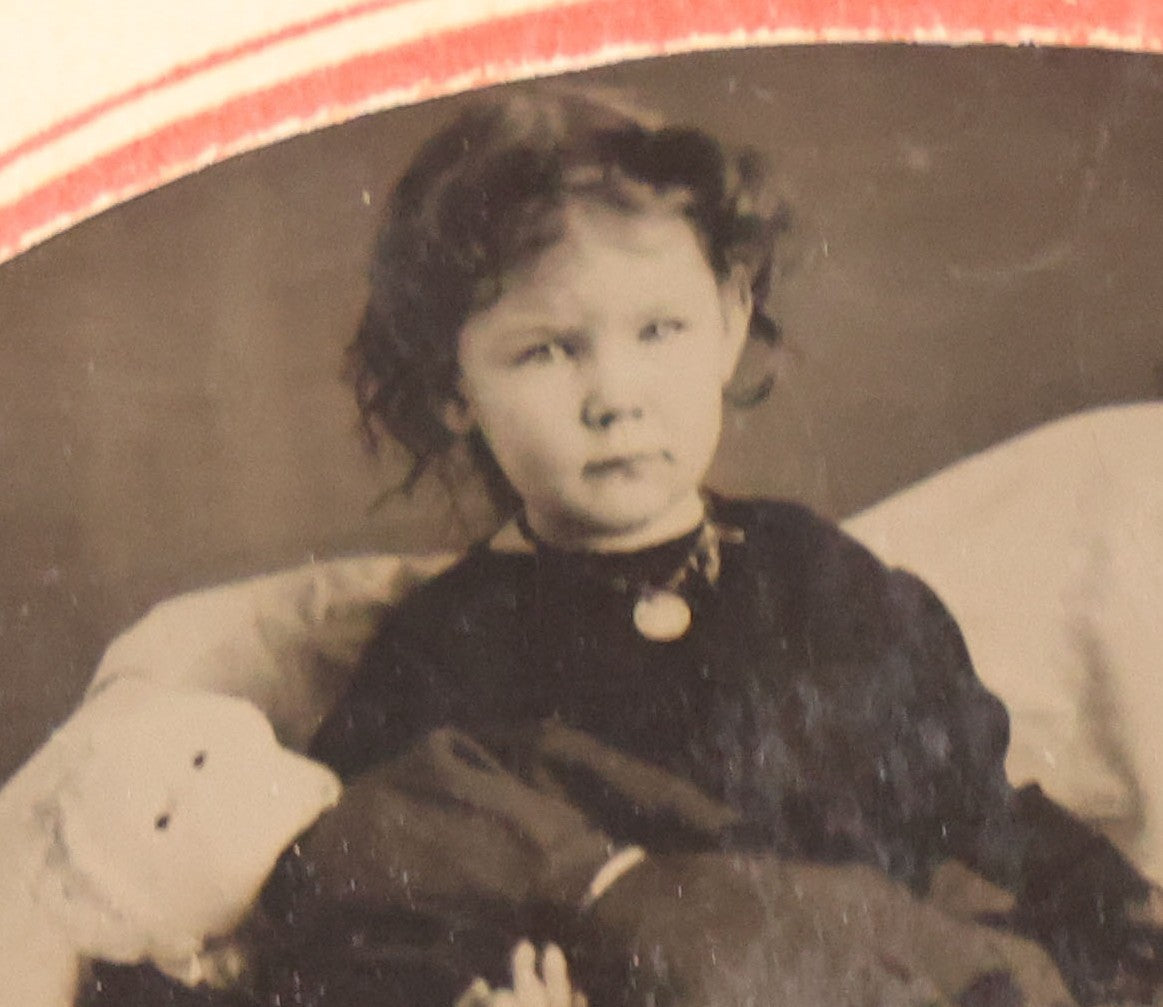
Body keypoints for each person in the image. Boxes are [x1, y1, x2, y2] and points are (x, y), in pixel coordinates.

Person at [278, 85, 1163, 1006]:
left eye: (658, 330)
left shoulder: (814, 573)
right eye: (545, 351)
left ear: (731, 321)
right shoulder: (448, 646)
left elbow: (973, 816)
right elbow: (385, 880)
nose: (614, 395)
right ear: (452, 385)